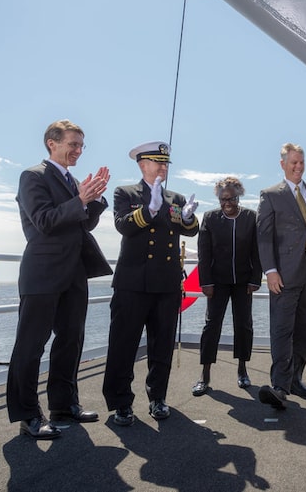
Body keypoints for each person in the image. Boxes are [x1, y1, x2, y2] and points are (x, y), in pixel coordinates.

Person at [7, 119, 112, 440]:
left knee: (70, 341)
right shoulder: (33, 177)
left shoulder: (72, 180)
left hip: (74, 273)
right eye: (73, 144)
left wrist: (92, 201)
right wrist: (80, 199)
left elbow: (81, 226)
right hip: (42, 274)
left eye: (82, 146)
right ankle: (28, 415)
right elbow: (45, 221)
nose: (78, 151)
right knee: (31, 345)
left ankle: (64, 406)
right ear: (52, 143)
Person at [102, 141, 199, 426]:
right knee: (123, 345)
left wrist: (190, 217)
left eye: (166, 163)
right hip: (132, 284)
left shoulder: (176, 198)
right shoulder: (126, 193)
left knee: (162, 346)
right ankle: (121, 403)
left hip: (166, 283)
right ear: (142, 164)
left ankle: (158, 397)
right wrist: (149, 210)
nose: (163, 167)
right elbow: (123, 224)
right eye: (158, 162)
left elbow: (189, 230)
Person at [256, 143, 306, 409]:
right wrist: (270, 271)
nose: (298, 167)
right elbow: (264, 238)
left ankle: (295, 378)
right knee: (282, 329)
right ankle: (279, 385)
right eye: (293, 163)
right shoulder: (270, 195)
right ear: (282, 164)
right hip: (284, 273)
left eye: (301, 162)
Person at [192, 176, 262, 397]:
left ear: (238, 196)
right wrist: (206, 282)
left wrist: (254, 279)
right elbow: (204, 253)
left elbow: (256, 251)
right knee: (212, 325)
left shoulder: (251, 218)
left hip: (243, 282)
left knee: (244, 325)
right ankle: (205, 373)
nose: (227, 203)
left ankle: (242, 369)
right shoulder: (210, 218)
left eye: (231, 198)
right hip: (217, 282)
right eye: (223, 199)